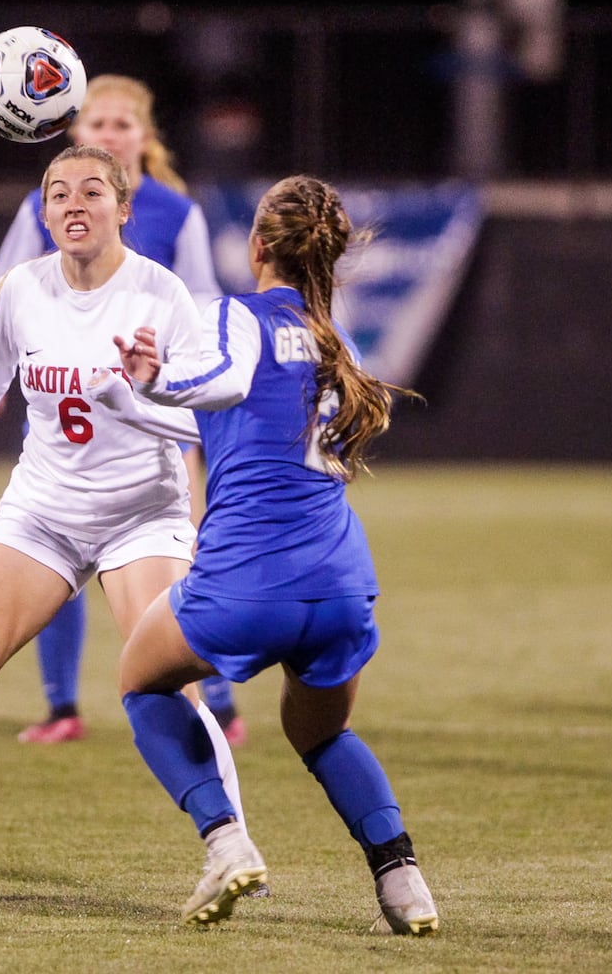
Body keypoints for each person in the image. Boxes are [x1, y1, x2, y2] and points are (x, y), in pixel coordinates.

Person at [0, 145, 249, 892]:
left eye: (90, 192)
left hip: (143, 513)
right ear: (42, 215)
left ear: (123, 208)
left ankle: (233, 845)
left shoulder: (161, 294)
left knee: (170, 682)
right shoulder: (23, 290)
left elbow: (208, 421)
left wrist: (141, 395)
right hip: (43, 512)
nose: (73, 205)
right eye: (57, 195)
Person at [101, 175, 439, 934]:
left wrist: (152, 378)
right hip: (342, 583)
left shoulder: (236, 317)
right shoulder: (337, 340)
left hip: (249, 580)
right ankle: (402, 879)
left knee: (142, 682)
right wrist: (146, 396)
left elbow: (216, 380)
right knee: (322, 732)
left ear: (257, 246)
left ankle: (225, 843)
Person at [0, 73, 246, 746]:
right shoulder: (40, 205)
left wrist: (187, 387)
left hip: (152, 423)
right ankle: (61, 707)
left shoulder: (174, 211)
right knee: (50, 553)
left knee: (185, 558)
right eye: (97, 124)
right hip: (66, 414)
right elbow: (2, 289)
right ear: (75, 132)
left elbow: (206, 306)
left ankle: (216, 701)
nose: (109, 134)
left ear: (143, 135)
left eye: (121, 125)